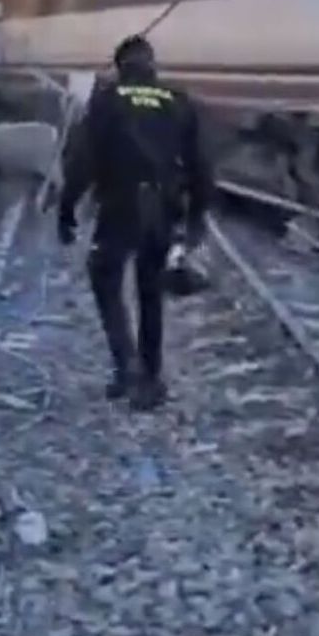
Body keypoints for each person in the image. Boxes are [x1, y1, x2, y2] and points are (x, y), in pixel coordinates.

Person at [57, 35, 211, 411]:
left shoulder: (107, 100)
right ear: (152, 65)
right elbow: (201, 167)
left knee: (105, 280)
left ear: (120, 66)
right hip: (163, 207)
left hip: (120, 206)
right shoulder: (179, 101)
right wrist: (196, 219)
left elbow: (83, 159)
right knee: (150, 292)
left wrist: (67, 208)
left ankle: (127, 364)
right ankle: (151, 379)